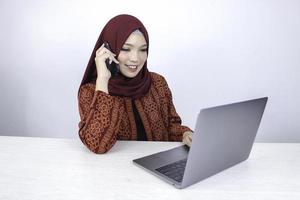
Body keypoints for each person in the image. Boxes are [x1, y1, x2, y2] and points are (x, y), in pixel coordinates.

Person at [78, 14, 193, 154]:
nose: (135, 59)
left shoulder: (158, 83)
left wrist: (185, 134)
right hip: (116, 172)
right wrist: (103, 79)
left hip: (156, 168)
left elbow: (170, 126)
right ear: (109, 49)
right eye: (126, 49)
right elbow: (97, 145)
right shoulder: (90, 91)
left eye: (143, 50)